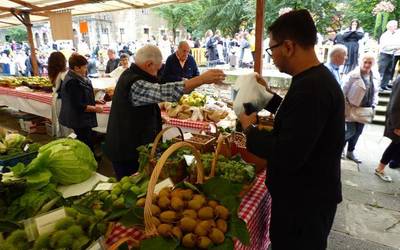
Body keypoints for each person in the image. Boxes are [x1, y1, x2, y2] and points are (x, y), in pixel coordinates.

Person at [239, 10, 343, 249]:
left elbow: (288, 153)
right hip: (307, 197)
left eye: (271, 49)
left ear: (288, 46)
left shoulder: (312, 88)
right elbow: (297, 119)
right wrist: (265, 97)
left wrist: (249, 129)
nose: (271, 56)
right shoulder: (313, 79)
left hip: (304, 204)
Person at [104, 45, 225, 180]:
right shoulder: (134, 81)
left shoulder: (134, 75)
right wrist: (201, 79)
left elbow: (139, 105)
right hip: (126, 151)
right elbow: (162, 91)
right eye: (157, 69)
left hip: (131, 145)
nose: (158, 73)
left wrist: (155, 118)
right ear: (149, 64)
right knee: (130, 188)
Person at [59, 54, 105, 151]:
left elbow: (79, 97)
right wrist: (95, 108)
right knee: (86, 142)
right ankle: (90, 161)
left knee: (87, 138)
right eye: (84, 67)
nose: (86, 69)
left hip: (80, 118)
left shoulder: (76, 77)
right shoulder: (73, 82)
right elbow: (78, 105)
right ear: (76, 68)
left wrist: (94, 100)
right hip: (78, 119)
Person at [342, 53, 379, 163]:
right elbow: (343, 92)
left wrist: (374, 105)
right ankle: (337, 148)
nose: (367, 65)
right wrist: (343, 108)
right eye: (365, 62)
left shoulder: (375, 76)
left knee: (358, 132)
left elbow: (375, 93)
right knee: (350, 131)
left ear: (373, 64)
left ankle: (350, 152)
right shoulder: (352, 75)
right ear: (361, 62)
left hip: (365, 110)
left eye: (370, 62)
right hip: (351, 109)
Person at [375, 76, 400, 182]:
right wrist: (397, 125)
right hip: (398, 122)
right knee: (395, 144)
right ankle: (380, 168)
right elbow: (395, 104)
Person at [47, 51, 71, 138]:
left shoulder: (54, 73)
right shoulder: (64, 74)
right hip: (63, 101)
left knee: (61, 122)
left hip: (57, 100)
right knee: (66, 124)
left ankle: (63, 139)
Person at [378, 20, 400, 91]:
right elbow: (384, 46)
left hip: (392, 54)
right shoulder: (385, 35)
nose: (396, 28)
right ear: (390, 27)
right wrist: (395, 47)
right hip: (385, 54)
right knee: (382, 70)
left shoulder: (394, 35)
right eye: (395, 26)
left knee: (389, 71)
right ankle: (379, 85)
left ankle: (384, 85)